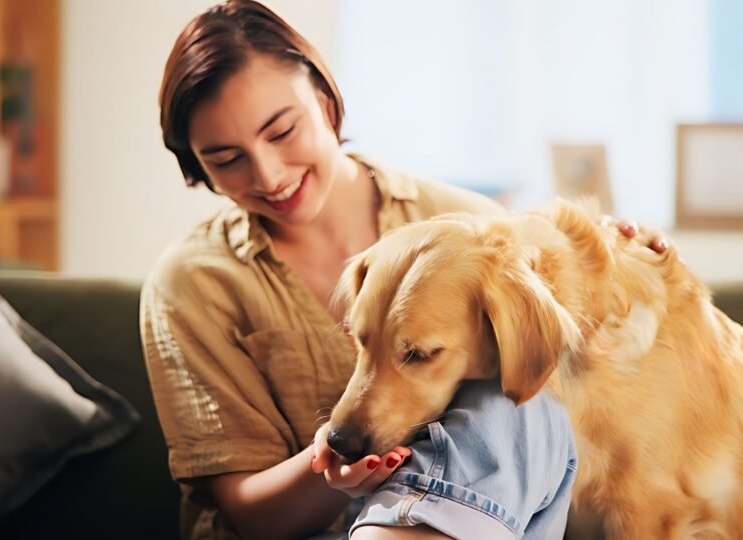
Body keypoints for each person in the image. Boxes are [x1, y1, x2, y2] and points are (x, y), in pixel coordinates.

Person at [142, 1, 667, 538]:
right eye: (226, 160)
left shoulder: (470, 226)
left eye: (281, 132)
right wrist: (332, 462)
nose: (269, 175)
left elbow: (573, 412)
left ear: (324, 101)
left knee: (527, 390)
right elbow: (246, 516)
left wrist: (619, 268)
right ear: (197, 166)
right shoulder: (193, 283)